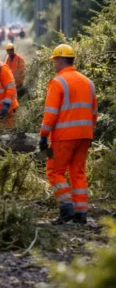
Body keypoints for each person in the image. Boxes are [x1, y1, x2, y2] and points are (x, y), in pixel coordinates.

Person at [39, 44, 97, 225]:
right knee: (77, 173)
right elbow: (94, 112)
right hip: (85, 135)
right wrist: (87, 132)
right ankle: (81, 214)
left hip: (63, 137)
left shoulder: (58, 82)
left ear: (60, 60)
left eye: (54, 61)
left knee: (54, 171)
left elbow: (51, 113)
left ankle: (66, 209)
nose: (54, 65)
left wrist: (43, 136)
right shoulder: (88, 82)